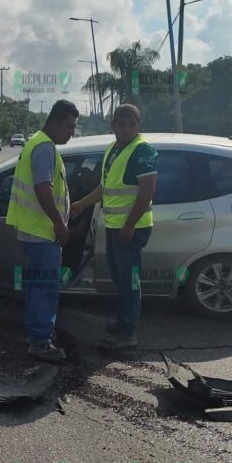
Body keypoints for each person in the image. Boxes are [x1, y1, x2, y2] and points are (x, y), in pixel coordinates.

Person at [70, 103, 157, 349]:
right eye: (121, 123)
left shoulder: (142, 151)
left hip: (131, 228)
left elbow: (147, 192)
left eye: (132, 123)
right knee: (120, 278)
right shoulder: (114, 149)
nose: (127, 128)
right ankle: (122, 322)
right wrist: (81, 204)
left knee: (130, 280)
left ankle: (128, 333)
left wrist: (128, 227)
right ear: (114, 125)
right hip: (115, 226)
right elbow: (104, 188)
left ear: (139, 125)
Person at [6, 99, 79, 362]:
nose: (72, 132)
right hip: (42, 232)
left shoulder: (38, 141)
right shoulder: (45, 148)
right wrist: (60, 223)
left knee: (38, 285)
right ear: (56, 121)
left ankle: (37, 333)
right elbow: (43, 189)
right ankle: (39, 341)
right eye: (69, 126)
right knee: (45, 288)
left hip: (34, 229)